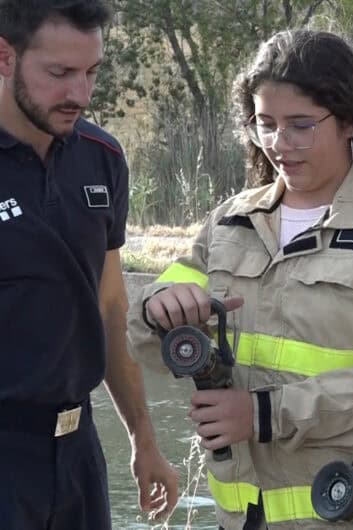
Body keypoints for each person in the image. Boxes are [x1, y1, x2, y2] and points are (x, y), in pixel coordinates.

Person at [127, 29, 353, 530]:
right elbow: (146, 341)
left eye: (301, 125)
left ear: (348, 122)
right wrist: (159, 308)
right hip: (239, 519)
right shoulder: (229, 222)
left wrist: (264, 414)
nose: (280, 144)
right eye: (266, 124)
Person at [0, 1, 178, 528]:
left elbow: (109, 307)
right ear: (4, 57)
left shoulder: (104, 157)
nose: (79, 93)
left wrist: (144, 437)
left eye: (91, 72)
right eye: (59, 74)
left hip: (79, 452)